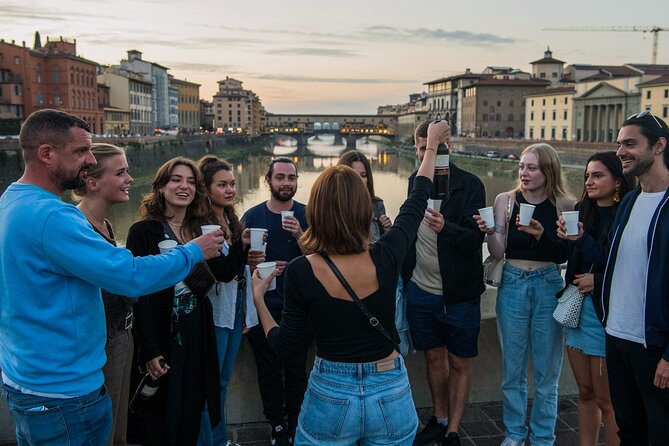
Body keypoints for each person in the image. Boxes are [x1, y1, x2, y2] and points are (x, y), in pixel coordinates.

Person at [0, 109, 224, 445]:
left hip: (27, 379)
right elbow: (130, 275)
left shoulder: (11, 201)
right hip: (65, 394)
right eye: (80, 152)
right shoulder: (53, 217)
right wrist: (193, 251)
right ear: (46, 154)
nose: (89, 160)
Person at [252, 120, 450, 445]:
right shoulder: (388, 254)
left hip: (331, 392)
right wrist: (430, 146)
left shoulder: (303, 270)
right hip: (390, 389)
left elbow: (288, 349)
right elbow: (418, 197)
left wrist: (259, 298)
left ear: (316, 209)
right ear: (364, 208)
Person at [558, 111, 669, 445]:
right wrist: (580, 240)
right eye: (619, 143)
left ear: (659, 146)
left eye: (631, 144)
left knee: (660, 432)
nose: (621, 151)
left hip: (653, 344)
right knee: (628, 428)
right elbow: (612, 261)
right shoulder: (631, 201)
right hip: (617, 335)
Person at [126, 156, 247, 446]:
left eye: (191, 181)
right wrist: (150, 349)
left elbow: (226, 273)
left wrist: (241, 242)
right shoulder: (144, 231)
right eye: (176, 180)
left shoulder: (200, 229)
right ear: (161, 187)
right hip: (164, 330)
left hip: (197, 328)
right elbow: (137, 296)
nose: (185, 187)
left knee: (196, 400)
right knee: (165, 408)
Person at [474, 143, 575, 446]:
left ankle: (544, 437)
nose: (524, 173)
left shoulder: (565, 204)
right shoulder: (505, 201)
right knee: (513, 371)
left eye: (532, 167)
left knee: (547, 373)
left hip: (548, 284)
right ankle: (514, 434)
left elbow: (567, 253)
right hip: (513, 284)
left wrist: (542, 234)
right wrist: (490, 232)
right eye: (521, 166)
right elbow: (498, 252)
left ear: (548, 170)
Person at [402, 121, 486, 446]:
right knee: (433, 357)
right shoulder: (414, 182)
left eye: (436, 148)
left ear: (448, 148)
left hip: (460, 294)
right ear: (416, 149)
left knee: (459, 361)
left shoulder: (470, 184)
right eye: (424, 148)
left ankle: (453, 430)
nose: (430, 154)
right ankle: (438, 419)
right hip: (420, 290)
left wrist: (444, 228)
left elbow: (474, 238)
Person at [561, 152, 632, 446]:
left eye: (598, 175)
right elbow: (572, 260)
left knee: (607, 399)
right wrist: (548, 237)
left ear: (617, 182)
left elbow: (621, 265)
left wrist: (598, 279)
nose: (589, 181)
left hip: (607, 316)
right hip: (579, 311)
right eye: (587, 175)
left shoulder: (626, 216)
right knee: (586, 392)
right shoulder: (581, 211)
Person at [196, 155, 265, 446]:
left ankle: (219, 439)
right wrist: (241, 248)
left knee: (223, 381)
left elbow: (235, 266)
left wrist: (249, 259)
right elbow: (217, 271)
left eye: (232, 184)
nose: (229, 190)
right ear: (206, 189)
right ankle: (208, 440)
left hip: (236, 308)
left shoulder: (232, 218)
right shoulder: (201, 224)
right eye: (222, 185)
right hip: (215, 311)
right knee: (208, 385)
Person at [241, 157, 309, 445]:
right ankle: (277, 426)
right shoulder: (252, 216)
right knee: (268, 369)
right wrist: (249, 258)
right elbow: (239, 265)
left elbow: (324, 258)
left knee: (296, 369)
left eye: (291, 178)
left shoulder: (308, 214)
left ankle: (296, 422)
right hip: (263, 306)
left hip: (300, 308)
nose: (286, 183)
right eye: (280, 177)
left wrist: (301, 236)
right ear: (268, 180)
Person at [74, 143, 136, 446]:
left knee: (119, 429)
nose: (130, 179)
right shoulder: (79, 228)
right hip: (102, 343)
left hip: (122, 335)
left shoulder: (106, 225)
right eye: (121, 172)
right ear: (92, 182)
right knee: (104, 432)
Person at [337, 150, 392, 242]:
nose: (360, 181)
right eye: (353, 176)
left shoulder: (376, 205)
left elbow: (384, 247)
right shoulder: (330, 207)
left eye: (363, 175)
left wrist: (387, 230)